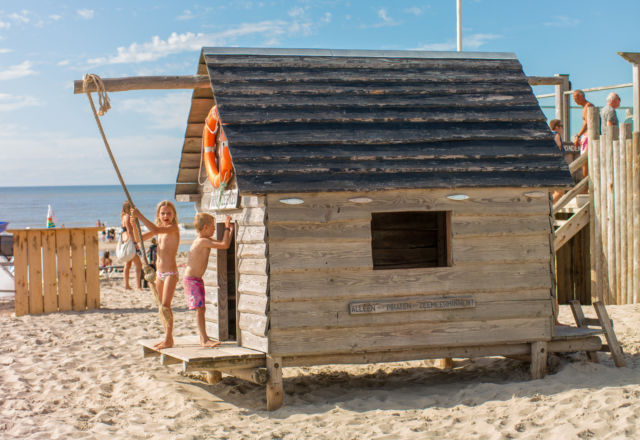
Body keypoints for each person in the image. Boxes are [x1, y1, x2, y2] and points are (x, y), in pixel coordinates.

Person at [131, 200, 180, 350]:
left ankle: (168, 338)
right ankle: (167, 337)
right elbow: (138, 239)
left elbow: (155, 229)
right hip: (159, 273)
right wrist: (134, 224)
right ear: (159, 215)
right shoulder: (159, 231)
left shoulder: (172, 228)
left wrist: (140, 216)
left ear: (173, 215)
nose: (166, 215)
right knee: (161, 307)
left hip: (171, 273)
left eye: (169, 213)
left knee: (166, 306)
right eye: (163, 213)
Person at [183, 213, 234, 347]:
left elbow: (225, 243)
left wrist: (230, 230)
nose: (214, 229)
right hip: (192, 280)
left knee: (202, 309)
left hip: (196, 280)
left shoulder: (203, 240)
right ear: (205, 227)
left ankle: (203, 338)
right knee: (200, 310)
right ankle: (204, 340)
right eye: (213, 227)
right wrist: (228, 228)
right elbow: (224, 244)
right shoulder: (202, 241)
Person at [572, 89, 594, 178]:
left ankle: (586, 185)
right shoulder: (584, 107)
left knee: (585, 161)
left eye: (576, 97)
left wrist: (578, 135)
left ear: (582, 96)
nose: (574, 100)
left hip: (589, 135)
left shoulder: (588, 106)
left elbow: (586, 123)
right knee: (585, 162)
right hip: (586, 135)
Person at [121, 201, 142, 291]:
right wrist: (134, 243)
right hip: (130, 242)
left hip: (125, 241)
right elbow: (129, 231)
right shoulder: (127, 217)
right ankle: (138, 286)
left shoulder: (123, 217)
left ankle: (127, 285)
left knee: (128, 264)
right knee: (138, 265)